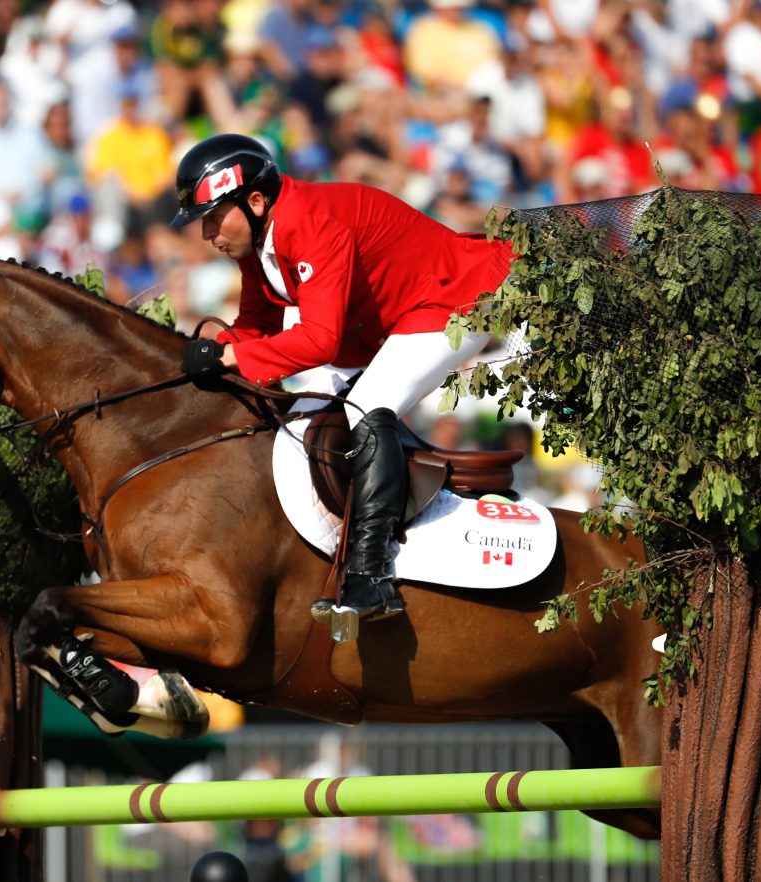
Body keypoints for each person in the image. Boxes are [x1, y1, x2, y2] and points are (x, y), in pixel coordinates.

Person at [170, 133, 512, 632]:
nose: (205, 233)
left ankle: (372, 575)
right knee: (307, 410)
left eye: (212, 216)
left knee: (366, 404)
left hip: (453, 299)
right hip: (382, 322)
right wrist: (215, 347)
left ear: (256, 200)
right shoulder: (256, 241)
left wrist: (229, 355)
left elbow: (319, 342)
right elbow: (256, 326)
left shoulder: (309, 222)